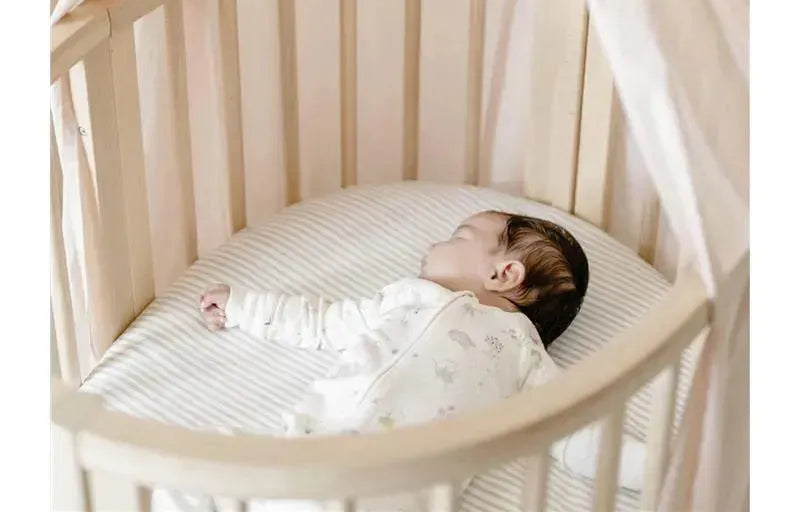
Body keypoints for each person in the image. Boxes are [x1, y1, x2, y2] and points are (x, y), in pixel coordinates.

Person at [199, 210, 645, 497]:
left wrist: (655, 464)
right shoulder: (405, 298)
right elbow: (322, 321)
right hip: (308, 449)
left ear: (503, 274)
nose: (434, 247)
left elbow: (576, 431)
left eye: (459, 237)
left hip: (398, 488)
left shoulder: (522, 353)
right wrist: (243, 306)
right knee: (211, 471)